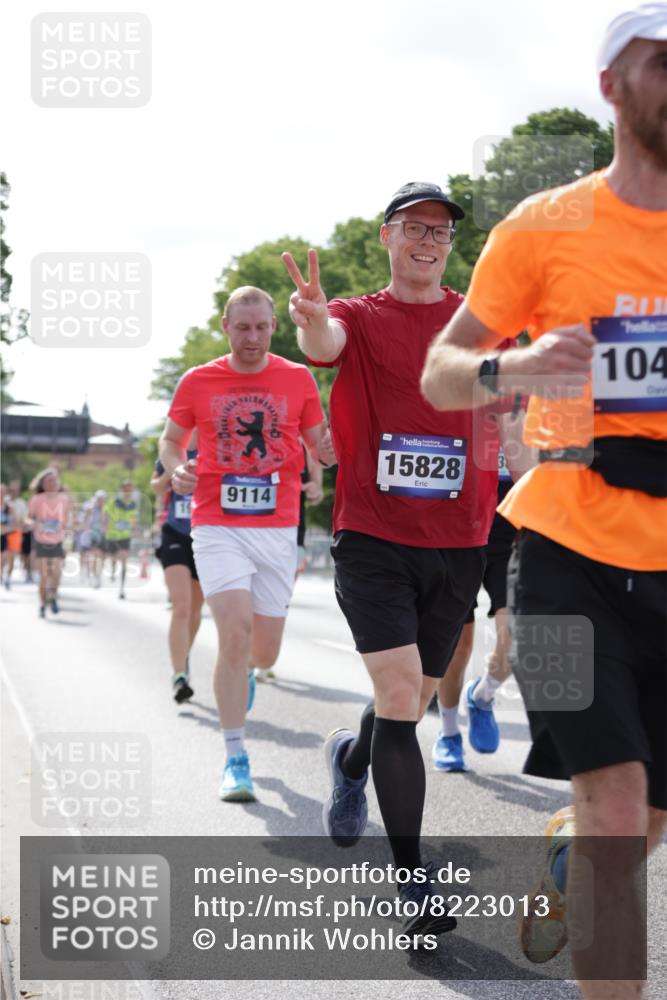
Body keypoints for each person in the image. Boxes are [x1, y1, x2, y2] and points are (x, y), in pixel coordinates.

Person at [420, 7, 666, 995]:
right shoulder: (545, 225)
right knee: (613, 801)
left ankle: (566, 864)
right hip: (564, 551)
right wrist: (513, 364)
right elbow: (442, 375)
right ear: (611, 85)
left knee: (641, 819)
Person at [282, 182, 514, 938]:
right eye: (414, 227)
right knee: (398, 696)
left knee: (405, 699)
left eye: (440, 231)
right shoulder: (356, 314)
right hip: (374, 536)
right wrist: (313, 321)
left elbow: (514, 411)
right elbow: (325, 348)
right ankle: (413, 884)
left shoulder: (477, 321)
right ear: (387, 236)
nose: (427, 240)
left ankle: (351, 761)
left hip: (460, 541)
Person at [159, 285, 326, 802]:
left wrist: (336, 451)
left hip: (278, 527)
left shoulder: (297, 378)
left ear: (274, 325)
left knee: (263, 649)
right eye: (242, 327)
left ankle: (249, 673)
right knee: (232, 633)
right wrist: (176, 467)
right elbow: (170, 439)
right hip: (217, 524)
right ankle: (235, 757)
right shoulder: (199, 380)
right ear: (225, 326)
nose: (251, 337)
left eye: (261, 327)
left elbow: (320, 441)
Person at [432, 440, 530, 772]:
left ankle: (482, 696)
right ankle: (448, 734)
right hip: (457, 539)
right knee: (458, 647)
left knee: (517, 639)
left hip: (509, 542)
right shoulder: (459, 396)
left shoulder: (527, 402)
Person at [151, 431, 205, 703]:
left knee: (195, 610)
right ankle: (179, 675)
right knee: (181, 606)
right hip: (175, 534)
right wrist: (174, 472)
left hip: (208, 535)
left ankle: (182, 656)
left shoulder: (217, 444)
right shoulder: (173, 446)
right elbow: (156, 489)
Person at [27, 467, 72, 617]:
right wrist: (34, 523)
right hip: (41, 541)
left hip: (58, 540)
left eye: (54, 481)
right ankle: (41, 604)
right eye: (49, 481)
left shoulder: (64, 499)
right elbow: (29, 517)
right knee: (45, 575)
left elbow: (68, 518)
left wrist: (68, 526)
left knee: (57, 574)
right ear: (43, 484)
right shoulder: (37, 500)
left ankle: (52, 597)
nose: (52, 483)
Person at [105, 480, 138, 599]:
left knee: (124, 558)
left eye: (131, 488)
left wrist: (135, 529)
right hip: (113, 535)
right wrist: (105, 527)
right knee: (113, 557)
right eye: (127, 488)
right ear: (122, 489)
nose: (129, 490)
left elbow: (133, 517)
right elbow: (106, 513)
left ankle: (122, 589)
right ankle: (113, 568)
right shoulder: (114, 501)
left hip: (125, 535)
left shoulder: (133, 503)